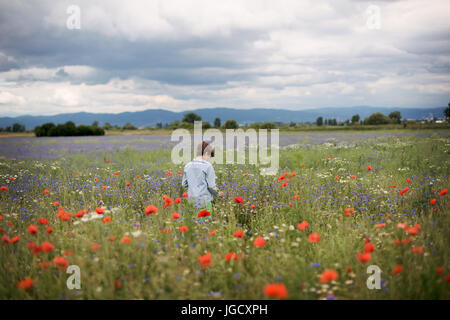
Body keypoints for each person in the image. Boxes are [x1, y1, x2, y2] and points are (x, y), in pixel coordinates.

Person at [182, 141, 224, 213]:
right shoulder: (208, 166)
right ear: (206, 153)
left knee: (194, 222)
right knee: (206, 222)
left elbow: (184, 184)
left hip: (191, 201)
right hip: (204, 201)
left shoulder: (188, 165)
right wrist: (218, 194)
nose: (209, 159)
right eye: (209, 156)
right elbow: (211, 186)